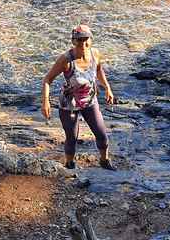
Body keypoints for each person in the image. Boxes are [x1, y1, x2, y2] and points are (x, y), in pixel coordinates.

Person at [41, 24, 116, 170]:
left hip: (89, 101)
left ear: (91, 39)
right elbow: (47, 80)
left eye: (86, 39)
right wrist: (45, 102)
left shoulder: (95, 54)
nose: (83, 43)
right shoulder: (66, 60)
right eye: (79, 39)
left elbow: (99, 70)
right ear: (73, 41)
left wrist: (107, 88)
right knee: (72, 137)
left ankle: (104, 161)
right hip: (69, 104)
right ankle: (69, 164)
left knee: (101, 134)